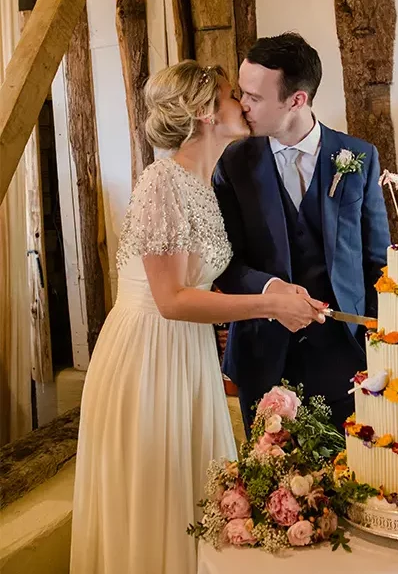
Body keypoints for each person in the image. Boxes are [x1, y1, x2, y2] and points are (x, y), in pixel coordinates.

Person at [70, 60, 326, 574]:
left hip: (186, 352)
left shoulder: (203, 183)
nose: (243, 106)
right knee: (158, 486)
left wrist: (280, 292)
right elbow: (173, 300)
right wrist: (269, 305)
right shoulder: (161, 182)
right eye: (234, 97)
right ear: (207, 112)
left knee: (191, 486)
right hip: (148, 354)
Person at [214, 33, 391, 435]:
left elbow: (378, 262)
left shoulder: (357, 157)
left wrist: (379, 349)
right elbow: (225, 263)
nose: (242, 105)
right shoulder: (233, 163)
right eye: (242, 92)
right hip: (264, 351)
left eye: (254, 97)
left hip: (344, 353)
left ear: (297, 100)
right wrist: (272, 293)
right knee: (273, 487)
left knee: (347, 478)